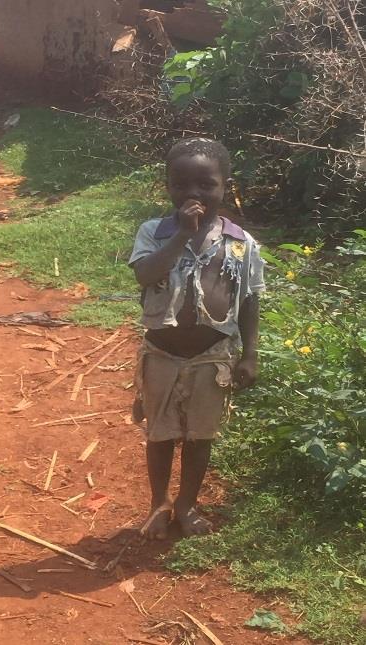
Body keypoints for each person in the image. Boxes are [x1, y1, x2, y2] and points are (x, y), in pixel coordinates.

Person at [129, 138, 265, 539]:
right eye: (181, 184)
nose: (194, 194)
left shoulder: (240, 243)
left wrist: (250, 354)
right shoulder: (154, 232)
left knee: (200, 437)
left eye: (206, 184)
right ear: (168, 186)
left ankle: (186, 505)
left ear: (225, 186)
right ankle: (159, 503)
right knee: (160, 434)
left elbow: (250, 299)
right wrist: (180, 237)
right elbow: (144, 274)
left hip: (212, 355)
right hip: (162, 353)